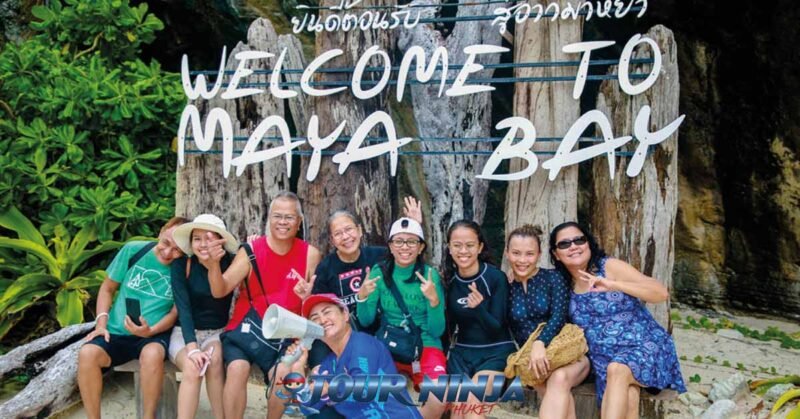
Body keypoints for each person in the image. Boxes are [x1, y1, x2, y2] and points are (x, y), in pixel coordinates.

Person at [550, 222, 686, 419]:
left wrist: (614, 284)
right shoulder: (561, 284)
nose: (573, 246)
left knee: (617, 369)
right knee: (628, 395)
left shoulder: (609, 267)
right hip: (604, 360)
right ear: (556, 254)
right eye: (564, 244)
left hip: (645, 346)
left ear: (588, 243)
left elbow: (660, 293)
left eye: (579, 240)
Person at [206, 191, 322, 419]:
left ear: (299, 222)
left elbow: (314, 306)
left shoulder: (310, 254)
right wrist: (213, 266)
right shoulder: (250, 251)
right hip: (247, 329)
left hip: (286, 335)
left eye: (289, 217)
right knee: (237, 368)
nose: (282, 222)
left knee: (284, 373)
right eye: (277, 216)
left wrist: (308, 297)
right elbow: (220, 290)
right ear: (269, 219)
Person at [77, 216, 189, 419]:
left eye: (177, 250)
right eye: (165, 243)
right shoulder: (134, 250)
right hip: (117, 331)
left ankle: (148, 417)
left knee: (152, 354)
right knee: (87, 354)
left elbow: (174, 313)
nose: (168, 253)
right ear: (160, 232)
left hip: (153, 335)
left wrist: (151, 331)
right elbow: (107, 289)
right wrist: (101, 324)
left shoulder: (184, 268)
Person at [295, 197, 422, 366]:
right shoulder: (325, 269)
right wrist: (307, 297)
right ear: (332, 241)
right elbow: (318, 311)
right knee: (319, 365)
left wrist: (414, 226)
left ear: (360, 230)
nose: (345, 237)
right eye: (338, 234)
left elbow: (406, 253)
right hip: (339, 330)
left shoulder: (379, 256)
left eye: (349, 229)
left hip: (376, 328)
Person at [356, 217, 446, 418]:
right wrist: (362, 297)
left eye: (412, 241)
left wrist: (433, 301)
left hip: (424, 344)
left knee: (439, 397)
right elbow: (366, 321)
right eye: (398, 241)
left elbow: (437, 330)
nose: (405, 247)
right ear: (390, 246)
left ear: (421, 247)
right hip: (390, 343)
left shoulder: (429, 275)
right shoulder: (379, 272)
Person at [283, 293, 423, 419]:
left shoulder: (363, 344)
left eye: (327, 312)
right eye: (315, 318)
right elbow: (308, 407)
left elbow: (364, 391)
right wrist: (297, 370)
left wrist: (328, 389)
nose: (323, 320)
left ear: (345, 314)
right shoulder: (329, 364)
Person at [505, 224, 590, 419]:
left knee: (559, 378)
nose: (522, 260)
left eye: (529, 254)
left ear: (539, 254)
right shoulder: (505, 286)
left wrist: (540, 343)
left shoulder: (553, 278)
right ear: (507, 253)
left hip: (569, 355)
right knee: (549, 387)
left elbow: (559, 316)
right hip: (534, 363)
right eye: (516, 253)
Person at [443, 220, 515, 419]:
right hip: (462, 355)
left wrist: (479, 308)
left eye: (470, 245)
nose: (463, 251)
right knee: (458, 410)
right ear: (449, 248)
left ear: (480, 247)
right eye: (457, 245)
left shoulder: (495, 277)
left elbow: (497, 327)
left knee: (472, 402)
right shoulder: (449, 282)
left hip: (495, 352)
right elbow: (447, 329)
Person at [169, 214, 239, 419]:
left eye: (208, 238)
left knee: (215, 361)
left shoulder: (230, 263)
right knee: (193, 367)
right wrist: (192, 348)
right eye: (196, 239)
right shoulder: (182, 264)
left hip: (215, 333)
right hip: (184, 333)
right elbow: (183, 309)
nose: (202, 244)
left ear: (220, 241)